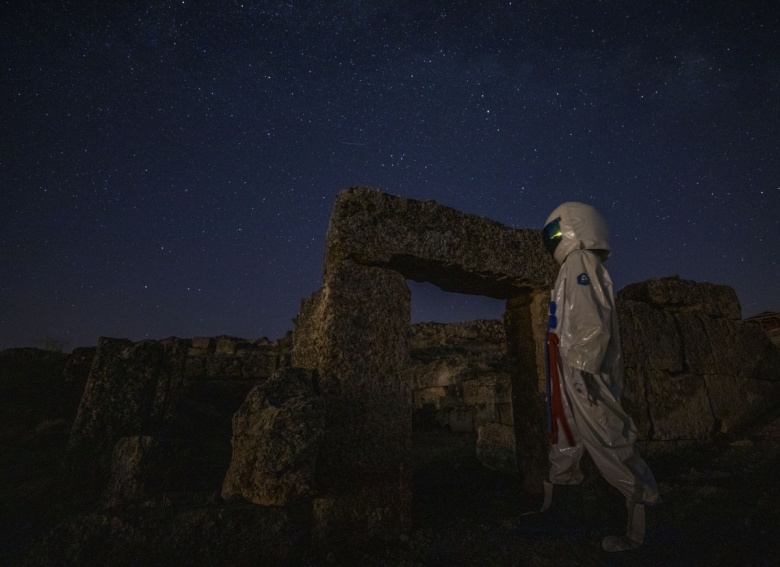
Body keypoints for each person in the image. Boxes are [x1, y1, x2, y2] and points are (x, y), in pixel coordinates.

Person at [539, 201, 660, 552]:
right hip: (567, 365)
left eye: (558, 231)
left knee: (606, 433)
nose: (554, 240)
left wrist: (581, 368)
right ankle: (563, 512)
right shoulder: (573, 267)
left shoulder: (580, 262)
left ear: (576, 226)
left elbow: (591, 321)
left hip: (580, 368)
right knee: (565, 436)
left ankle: (646, 523)